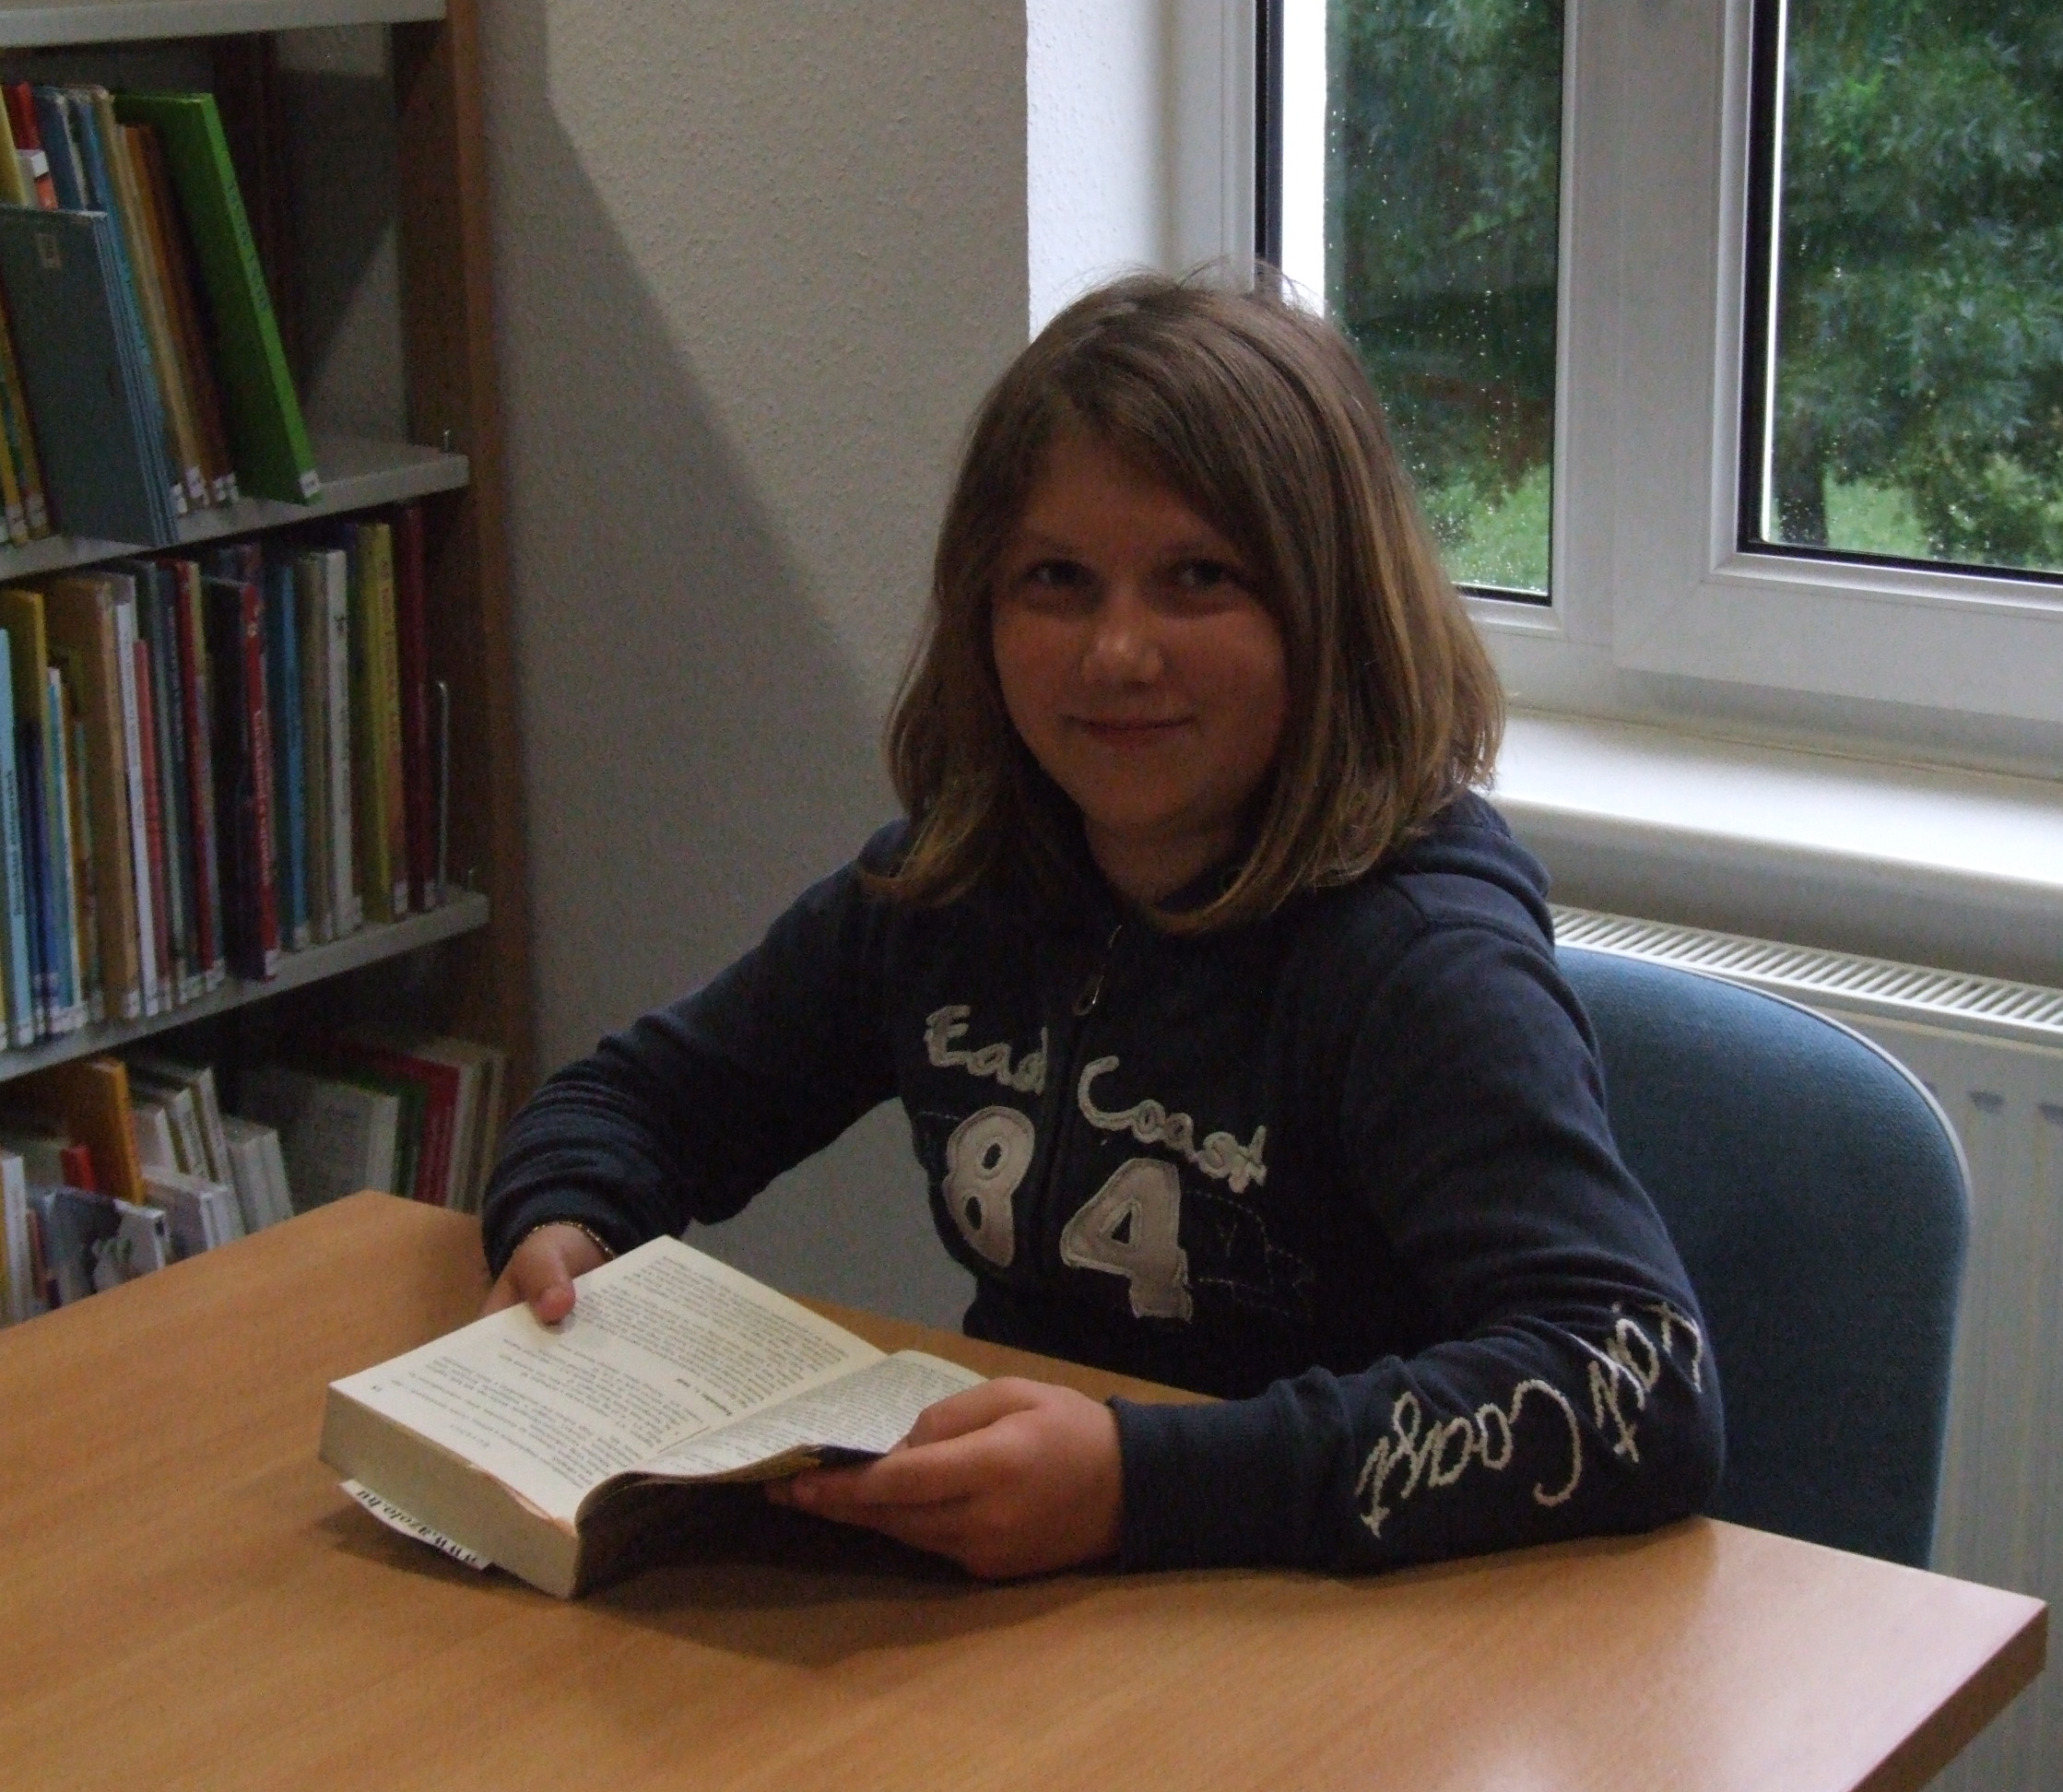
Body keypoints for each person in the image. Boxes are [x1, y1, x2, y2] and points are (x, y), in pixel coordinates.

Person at [479, 269, 1724, 1580]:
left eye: (1199, 578)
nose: (1118, 653)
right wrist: (565, 1222)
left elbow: (1638, 1382)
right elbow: (634, 1103)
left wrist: (1141, 1485)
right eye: (1057, 580)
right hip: (1034, 1601)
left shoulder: (1418, 961)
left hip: (1342, 1619)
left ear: (1334, 610)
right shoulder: (945, 891)